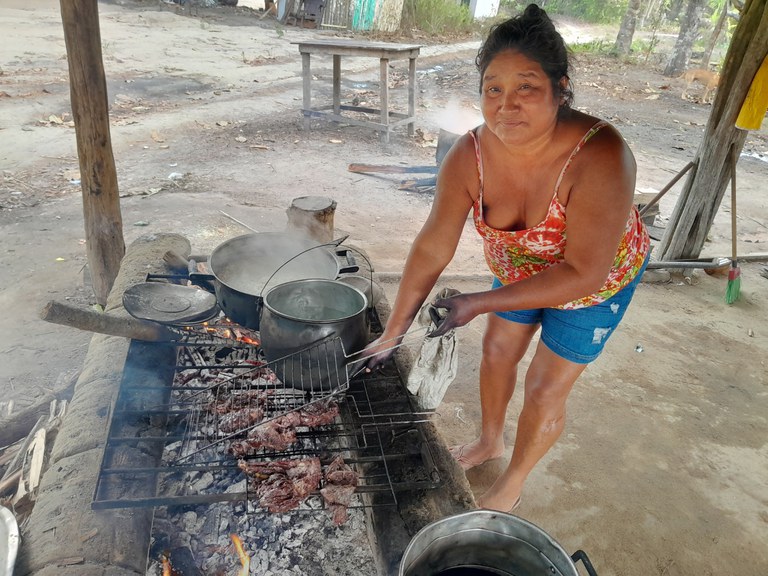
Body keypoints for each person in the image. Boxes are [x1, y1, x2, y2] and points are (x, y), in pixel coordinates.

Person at [362, 3, 650, 513]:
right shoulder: (468, 156)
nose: (505, 105)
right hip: (517, 272)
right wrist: (394, 331)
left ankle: (514, 477)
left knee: (543, 388)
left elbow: (583, 272)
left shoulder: (600, 153)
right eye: (493, 88)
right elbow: (433, 243)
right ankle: (490, 441)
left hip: (594, 286)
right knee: (497, 354)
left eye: (526, 87)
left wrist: (478, 301)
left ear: (560, 89)